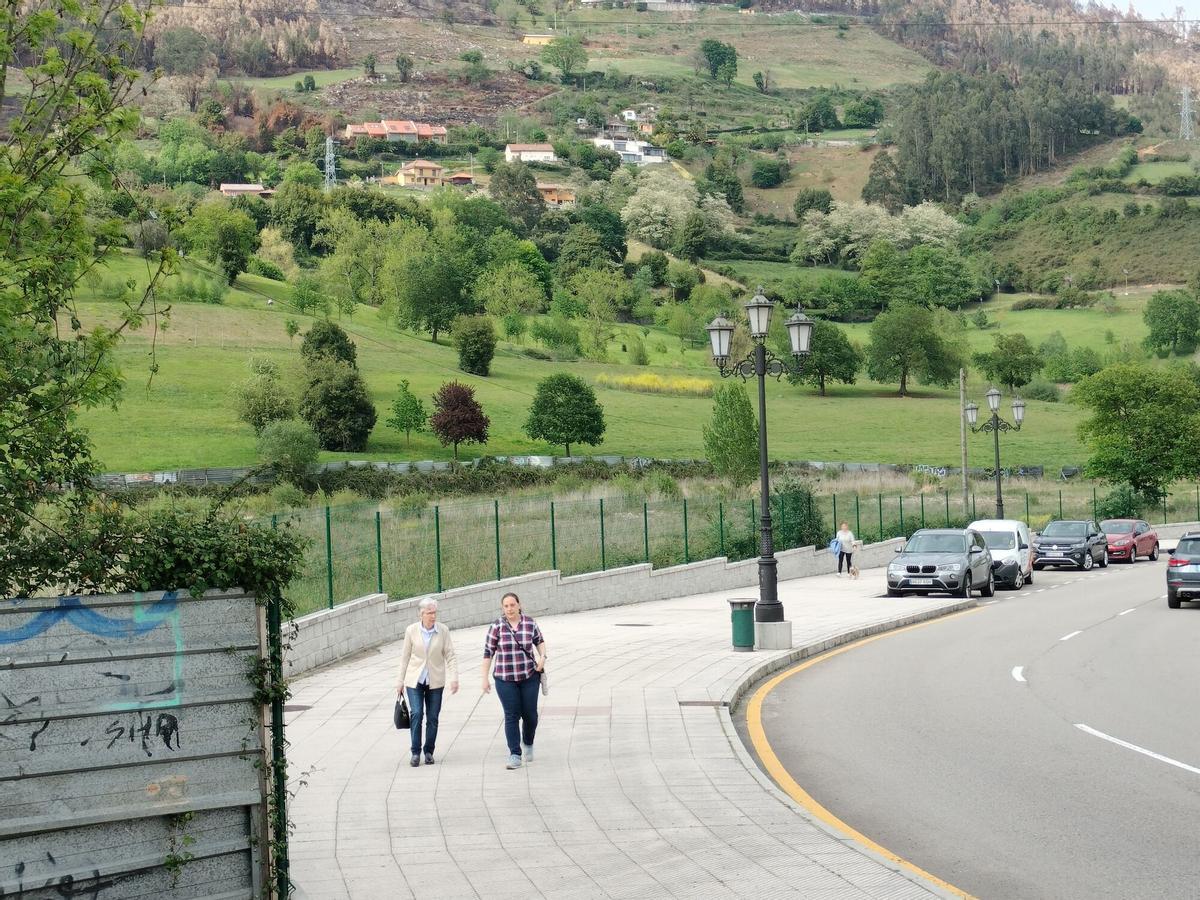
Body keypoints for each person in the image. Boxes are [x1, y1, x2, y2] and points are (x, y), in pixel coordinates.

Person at [481, 591, 546, 770]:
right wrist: (484, 678)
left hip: (529, 676)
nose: (509, 609)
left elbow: (540, 641)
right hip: (505, 679)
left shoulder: (530, 623)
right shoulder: (497, 626)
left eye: (512, 605)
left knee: (530, 715)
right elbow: (488, 653)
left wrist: (542, 657)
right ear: (502, 608)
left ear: (519, 605)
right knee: (511, 715)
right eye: (506, 606)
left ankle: (528, 742)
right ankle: (515, 754)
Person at [397, 597, 458, 767]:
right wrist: (400, 681)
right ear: (421, 614)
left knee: (433, 717)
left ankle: (429, 751)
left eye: (434, 612)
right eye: (429, 613)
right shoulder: (411, 631)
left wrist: (454, 677)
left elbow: (450, 656)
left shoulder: (443, 630)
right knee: (416, 713)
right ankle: (415, 752)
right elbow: (404, 657)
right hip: (414, 680)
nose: (433, 616)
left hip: (435, 681)